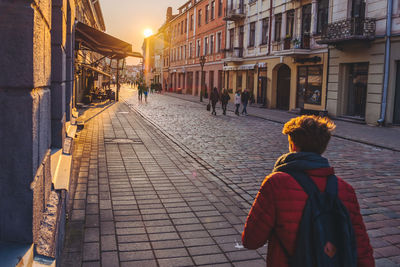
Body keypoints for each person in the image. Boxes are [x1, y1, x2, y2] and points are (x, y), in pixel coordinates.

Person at [242, 115, 374, 267]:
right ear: (322, 147)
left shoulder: (276, 183)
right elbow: (362, 250)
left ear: (293, 146)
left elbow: (251, 241)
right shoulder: (346, 190)